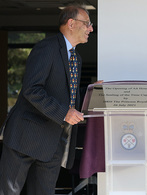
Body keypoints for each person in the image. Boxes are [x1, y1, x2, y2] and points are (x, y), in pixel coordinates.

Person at [0, 4, 93, 195]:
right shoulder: (47, 48)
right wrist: (64, 113)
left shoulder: (76, 58)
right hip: (25, 138)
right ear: (71, 23)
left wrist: (93, 91)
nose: (91, 28)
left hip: (52, 143)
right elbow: (32, 89)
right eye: (87, 23)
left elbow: (68, 95)